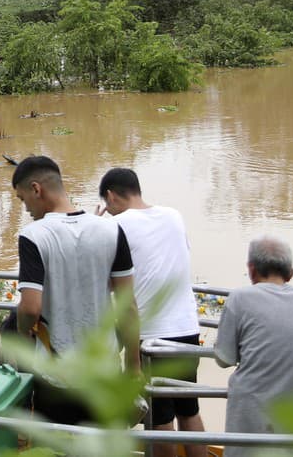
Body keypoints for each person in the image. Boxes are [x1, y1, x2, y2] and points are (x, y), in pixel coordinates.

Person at [10, 155, 140, 425]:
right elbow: (127, 306)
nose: (25, 209)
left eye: (23, 200)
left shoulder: (34, 235)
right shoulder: (111, 229)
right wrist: (134, 367)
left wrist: (23, 339)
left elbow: (31, 308)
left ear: (36, 189)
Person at [99, 167, 207, 457]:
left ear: (110, 196)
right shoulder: (174, 216)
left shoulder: (116, 226)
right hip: (186, 328)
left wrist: (95, 230)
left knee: (159, 420)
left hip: (152, 337)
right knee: (189, 410)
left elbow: (109, 284)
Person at [214, 236, 293, 457]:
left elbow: (224, 358)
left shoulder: (240, 298)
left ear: (251, 270)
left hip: (251, 421)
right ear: (290, 272)